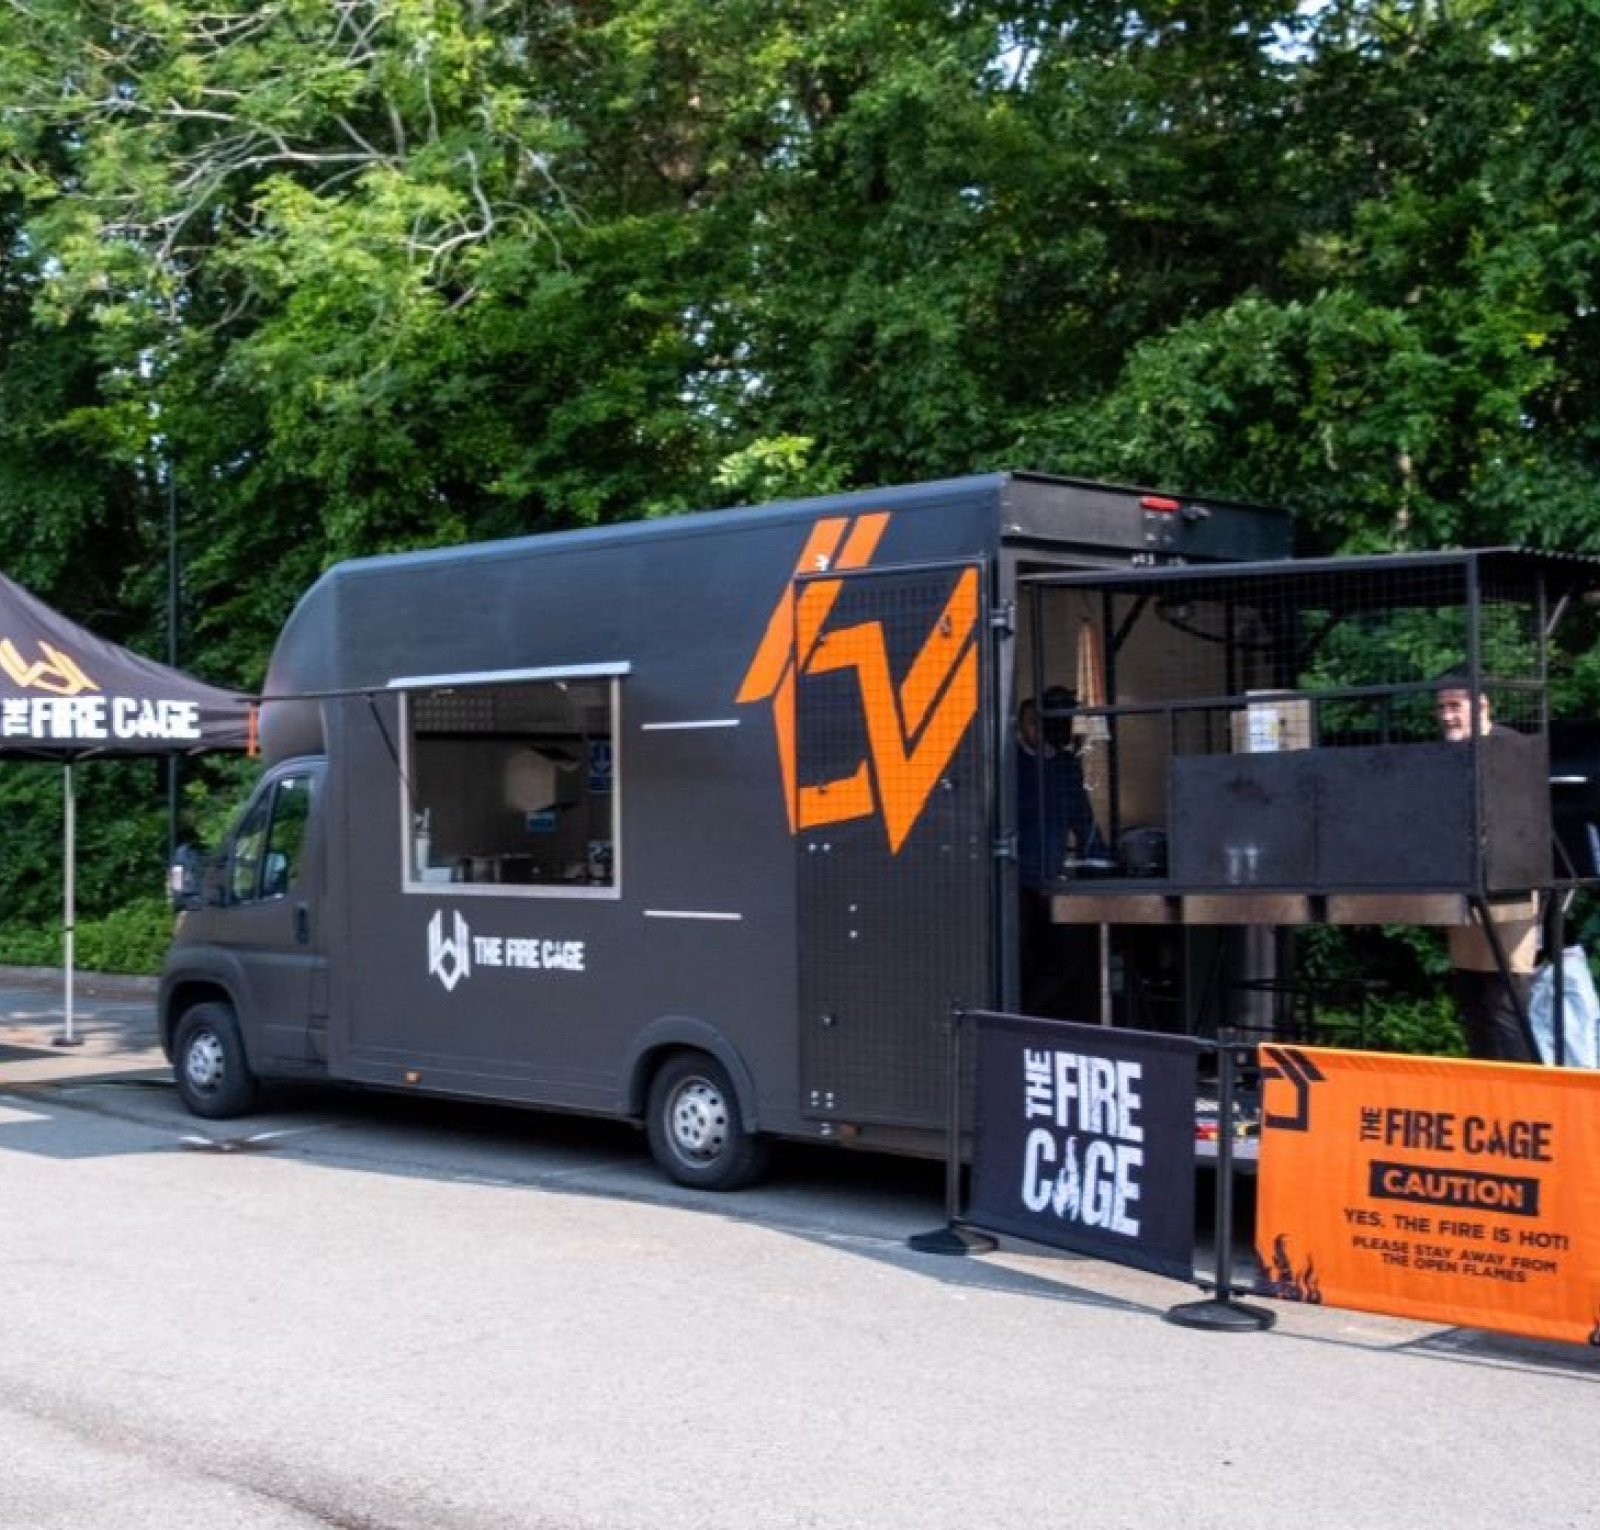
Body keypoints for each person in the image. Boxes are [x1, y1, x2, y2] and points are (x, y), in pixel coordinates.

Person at [1434, 674, 1539, 1062]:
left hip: (1510, 888)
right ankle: (1482, 1087)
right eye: (1441, 707)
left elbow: (1522, 821)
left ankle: (1520, 1089)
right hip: (1466, 889)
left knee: (1505, 1003)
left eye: (1454, 706)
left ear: (1481, 705)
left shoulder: (1512, 747)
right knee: (1472, 999)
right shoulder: (1447, 756)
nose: (1447, 716)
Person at [1016, 687, 1107, 1015]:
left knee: (1062, 961)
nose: (1039, 729)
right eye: (1032, 722)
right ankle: (1012, 1019)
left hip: (1049, 879)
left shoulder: (1065, 764)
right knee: (1017, 956)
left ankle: (1023, 1016)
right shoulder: (1008, 764)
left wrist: (1101, 861)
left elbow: (1082, 817)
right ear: (1023, 723)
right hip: (1014, 879)